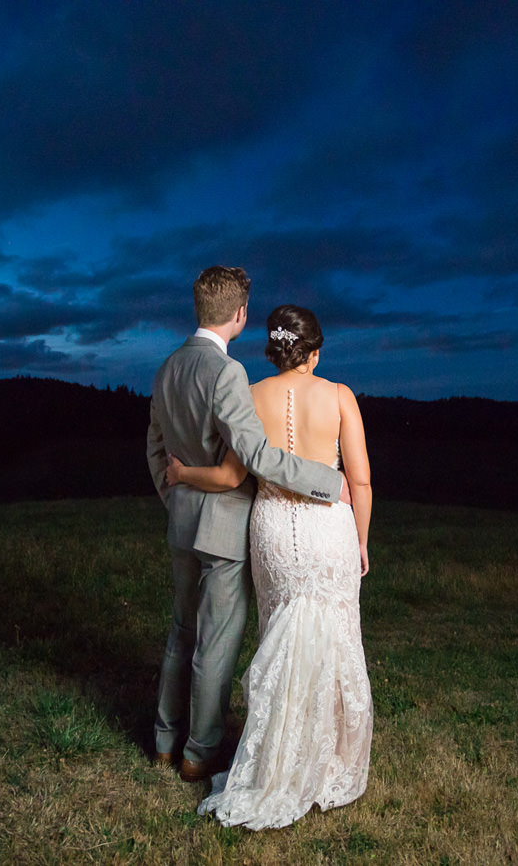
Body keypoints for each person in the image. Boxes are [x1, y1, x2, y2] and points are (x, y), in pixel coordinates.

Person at [168, 303, 373, 830]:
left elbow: (233, 475)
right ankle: (325, 760)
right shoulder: (339, 395)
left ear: (275, 349)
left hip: (273, 529)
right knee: (331, 637)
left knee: (280, 632)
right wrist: (362, 542)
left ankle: (276, 756)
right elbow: (360, 481)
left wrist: (183, 472)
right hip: (329, 528)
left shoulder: (251, 393)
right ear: (315, 351)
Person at [146, 267, 345, 784]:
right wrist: (325, 480)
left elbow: (155, 449)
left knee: (180, 633)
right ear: (239, 315)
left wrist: (175, 499)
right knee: (215, 642)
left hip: (183, 523)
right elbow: (255, 454)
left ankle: (164, 740)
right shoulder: (225, 372)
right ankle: (199, 751)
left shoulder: (167, 367)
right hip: (224, 526)